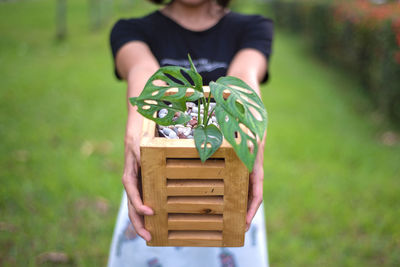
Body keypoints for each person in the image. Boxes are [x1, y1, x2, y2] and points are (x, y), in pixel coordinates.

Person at [107, 0, 274, 266]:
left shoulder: (253, 27)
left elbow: (243, 77)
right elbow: (145, 74)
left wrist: (251, 131)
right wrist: (137, 127)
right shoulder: (131, 30)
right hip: (160, 194)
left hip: (228, 196)